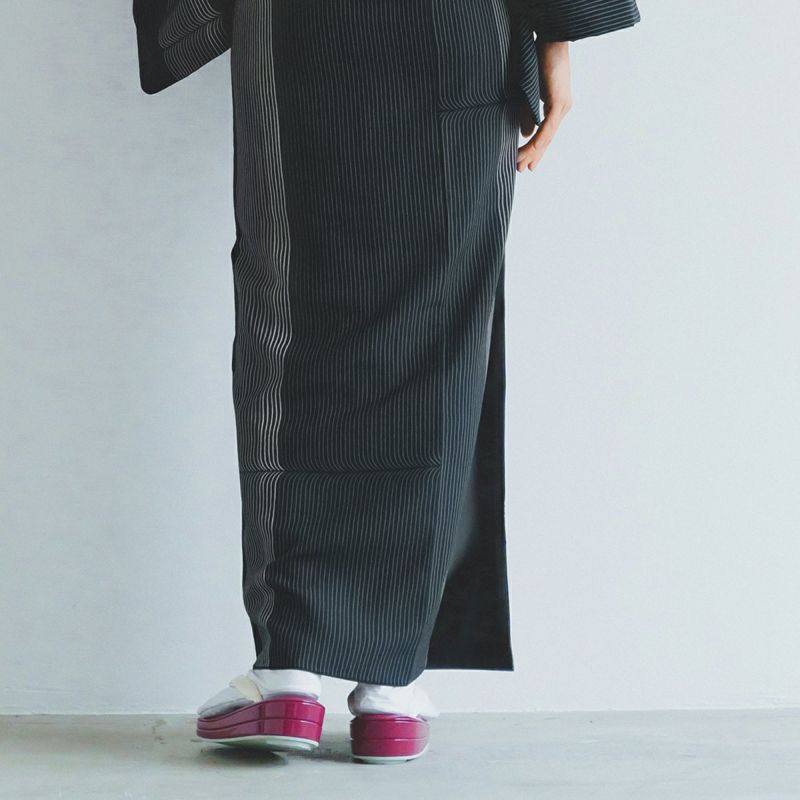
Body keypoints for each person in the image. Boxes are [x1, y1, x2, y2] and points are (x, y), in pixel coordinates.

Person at [133, 0, 640, 764]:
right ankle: (392, 690)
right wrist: (559, 43)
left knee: (289, 318)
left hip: (299, 33)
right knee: (442, 333)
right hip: (456, 36)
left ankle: (288, 673)